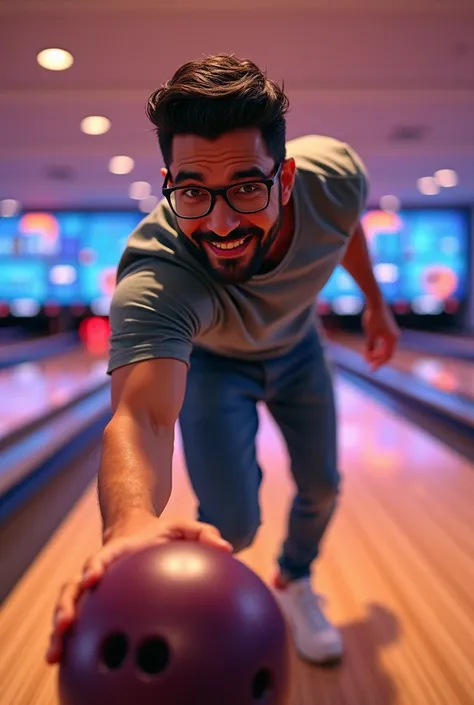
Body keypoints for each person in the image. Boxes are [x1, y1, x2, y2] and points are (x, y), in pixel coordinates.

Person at [46, 53, 399, 667]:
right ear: (168, 183)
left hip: (298, 349)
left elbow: (344, 229)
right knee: (232, 529)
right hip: (214, 367)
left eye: (245, 186)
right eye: (192, 192)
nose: (222, 220)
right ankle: (218, 606)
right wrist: (128, 524)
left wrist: (376, 302)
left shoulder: (336, 177)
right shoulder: (158, 278)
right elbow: (142, 418)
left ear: (285, 179)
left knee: (322, 485)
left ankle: (294, 581)